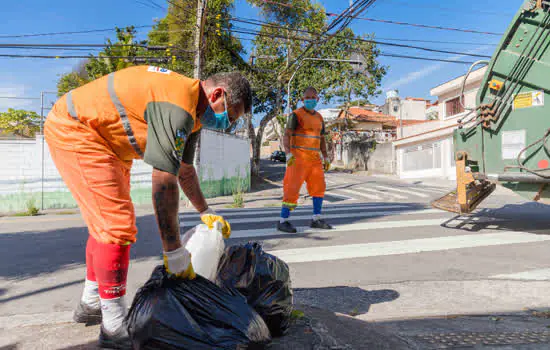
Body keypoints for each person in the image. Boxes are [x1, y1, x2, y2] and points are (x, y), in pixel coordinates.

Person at [44, 65, 252, 349]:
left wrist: (205, 211)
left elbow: (185, 170)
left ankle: (92, 301)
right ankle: (114, 324)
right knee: (117, 226)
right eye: (229, 115)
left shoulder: (193, 116)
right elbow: (164, 180)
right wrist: (174, 251)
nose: (226, 125)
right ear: (217, 94)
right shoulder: (177, 107)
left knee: (104, 224)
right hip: (79, 130)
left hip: (108, 144)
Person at [277, 87, 333, 233]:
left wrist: (325, 156)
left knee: (319, 188)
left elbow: (321, 138)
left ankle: (316, 219)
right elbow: (286, 135)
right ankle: (283, 221)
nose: (310, 100)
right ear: (302, 100)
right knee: (291, 189)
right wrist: (288, 153)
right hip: (298, 159)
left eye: (313, 98)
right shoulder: (296, 115)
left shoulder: (319, 118)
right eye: (307, 98)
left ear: (317, 99)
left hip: (315, 160)